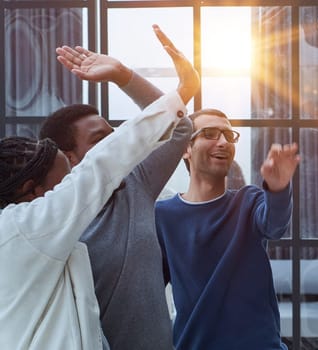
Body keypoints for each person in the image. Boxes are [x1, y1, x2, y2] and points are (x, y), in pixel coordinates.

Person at [0, 28, 196, 349]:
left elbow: (179, 129)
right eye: (100, 140)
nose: (115, 143)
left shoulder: (134, 187)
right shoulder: (40, 226)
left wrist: (124, 77)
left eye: (113, 133)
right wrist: (185, 89)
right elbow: (103, 164)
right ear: (68, 158)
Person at [155, 108, 300, 350]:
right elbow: (149, 287)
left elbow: (275, 225)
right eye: (210, 133)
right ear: (185, 148)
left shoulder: (249, 201)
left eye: (228, 135)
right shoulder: (163, 215)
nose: (223, 142)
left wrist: (277, 189)